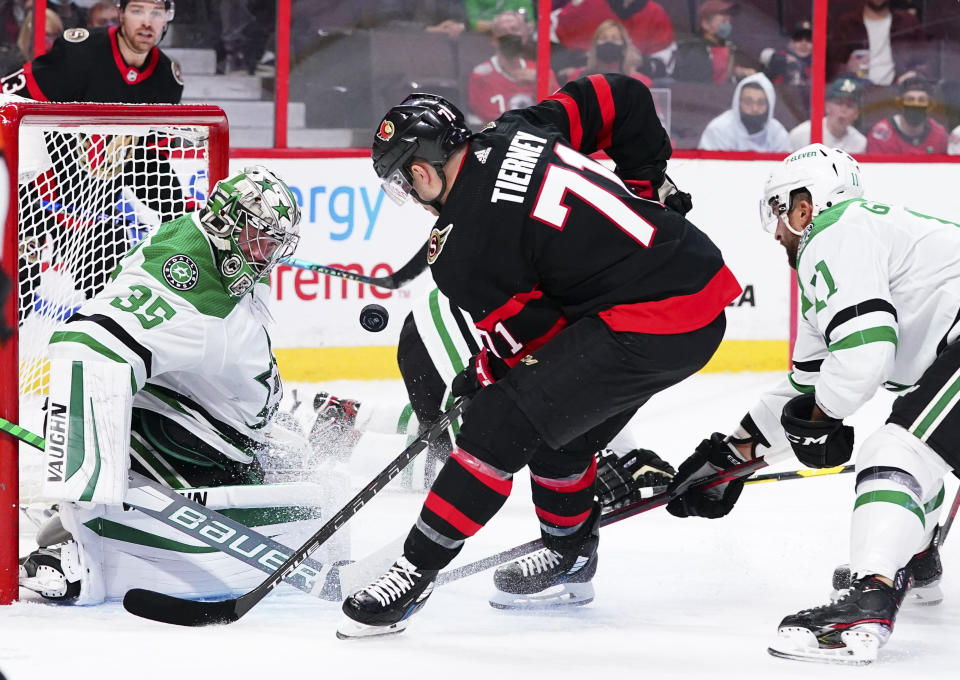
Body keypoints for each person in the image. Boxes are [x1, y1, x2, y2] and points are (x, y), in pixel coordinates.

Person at [338, 72, 740, 638]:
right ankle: (570, 555)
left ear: (423, 171)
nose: (411, 197)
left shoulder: (461, 250)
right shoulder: (517, 129)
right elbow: (619, 96)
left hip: (648, 321)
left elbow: (538, 335)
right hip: (696, 280)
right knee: (562, 432)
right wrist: (649, 188)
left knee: (495, 426)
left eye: (405, 183)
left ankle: (413, 571)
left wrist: (482, 376)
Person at [666, 143, 957, 665]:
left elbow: (865, 357)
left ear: (802, 208)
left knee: (895, 450)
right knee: (919, 447)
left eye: (778, 214)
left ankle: (868, 597)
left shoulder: (833, 235)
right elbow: (806, 389)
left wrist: (824, 419)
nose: (776, 232)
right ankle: (914, 558)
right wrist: (730, 458)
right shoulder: (859, 244)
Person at [14, 166, 355, 604]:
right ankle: (73, 546)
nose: (269, 254)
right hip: (185, 432)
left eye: (276, 241)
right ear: (227, 224)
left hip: (237, 428)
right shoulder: (184, 285)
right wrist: (86, 487)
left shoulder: (226, 254)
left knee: (318, 485)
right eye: (262, 237)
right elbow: (83, 343)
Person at [0, 0, 182, 104]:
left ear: (167, 18)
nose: (147, 22)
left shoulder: (167, 78)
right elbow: (6, 96)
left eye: (156, 13)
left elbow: (155, 161)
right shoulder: (78, 52)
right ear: (121, 15)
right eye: (137, 11)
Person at [466, 10, 558, 127]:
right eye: (503, 31)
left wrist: (542, 82)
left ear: (524, 36)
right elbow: (487, 121)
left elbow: (556, 109)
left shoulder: (542, 72)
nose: (509, 35)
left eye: (514, 29)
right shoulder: (481, 75)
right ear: (494, 40)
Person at [553, 0, 676, 78]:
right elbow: (550, 39)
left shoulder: (656, 13)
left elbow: (665, 62)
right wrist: (570, 66)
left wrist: (642, 64)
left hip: (632, 88)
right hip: (589, 82)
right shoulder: (586, 6)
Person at [827, 0, 926, 84]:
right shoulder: (847, 24)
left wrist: (913, 74)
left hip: (898, 92)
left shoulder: (908, 22)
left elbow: (926, 59)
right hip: (858, 93)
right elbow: (830, 66)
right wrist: (847, 68)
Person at [698, 72, 791, 152]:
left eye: (761, 102)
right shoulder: (719, 129)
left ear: (770, 105)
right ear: (738, 103)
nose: (755, 108)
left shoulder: (777, 132)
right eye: (748, 102)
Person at [673, 0, 755, 83]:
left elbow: (723, 70)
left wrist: (738, 71)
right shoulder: (691, 50)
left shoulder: (727, 47)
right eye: (723, 21)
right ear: (706, 24)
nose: (728, 26)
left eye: (729, 22)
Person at [866, 77, 948, 154]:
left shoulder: (939, 135)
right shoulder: (881, 135)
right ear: (899, 103)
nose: (915, 104)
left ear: (930, 105)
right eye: (910, 99)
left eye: (921, 100)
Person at [789, 77, 867, 153]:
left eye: (850, 105)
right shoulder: (801, 134)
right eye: (838, 103)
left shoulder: (860, 143)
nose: (843, 110)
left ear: (856, 114)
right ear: (827, 106)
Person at [566, 19, 651, 86]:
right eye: (603, 38)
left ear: (624, 47)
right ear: (595, 45)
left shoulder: (639, 81)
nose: (609, 42)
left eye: (615, 39)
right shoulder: (578, 77)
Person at [764, 19, 813, 86]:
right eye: (798, 38)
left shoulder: (820, 65)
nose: (803, 43)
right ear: (791, 42)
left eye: (809, 39)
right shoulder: (779, 58)